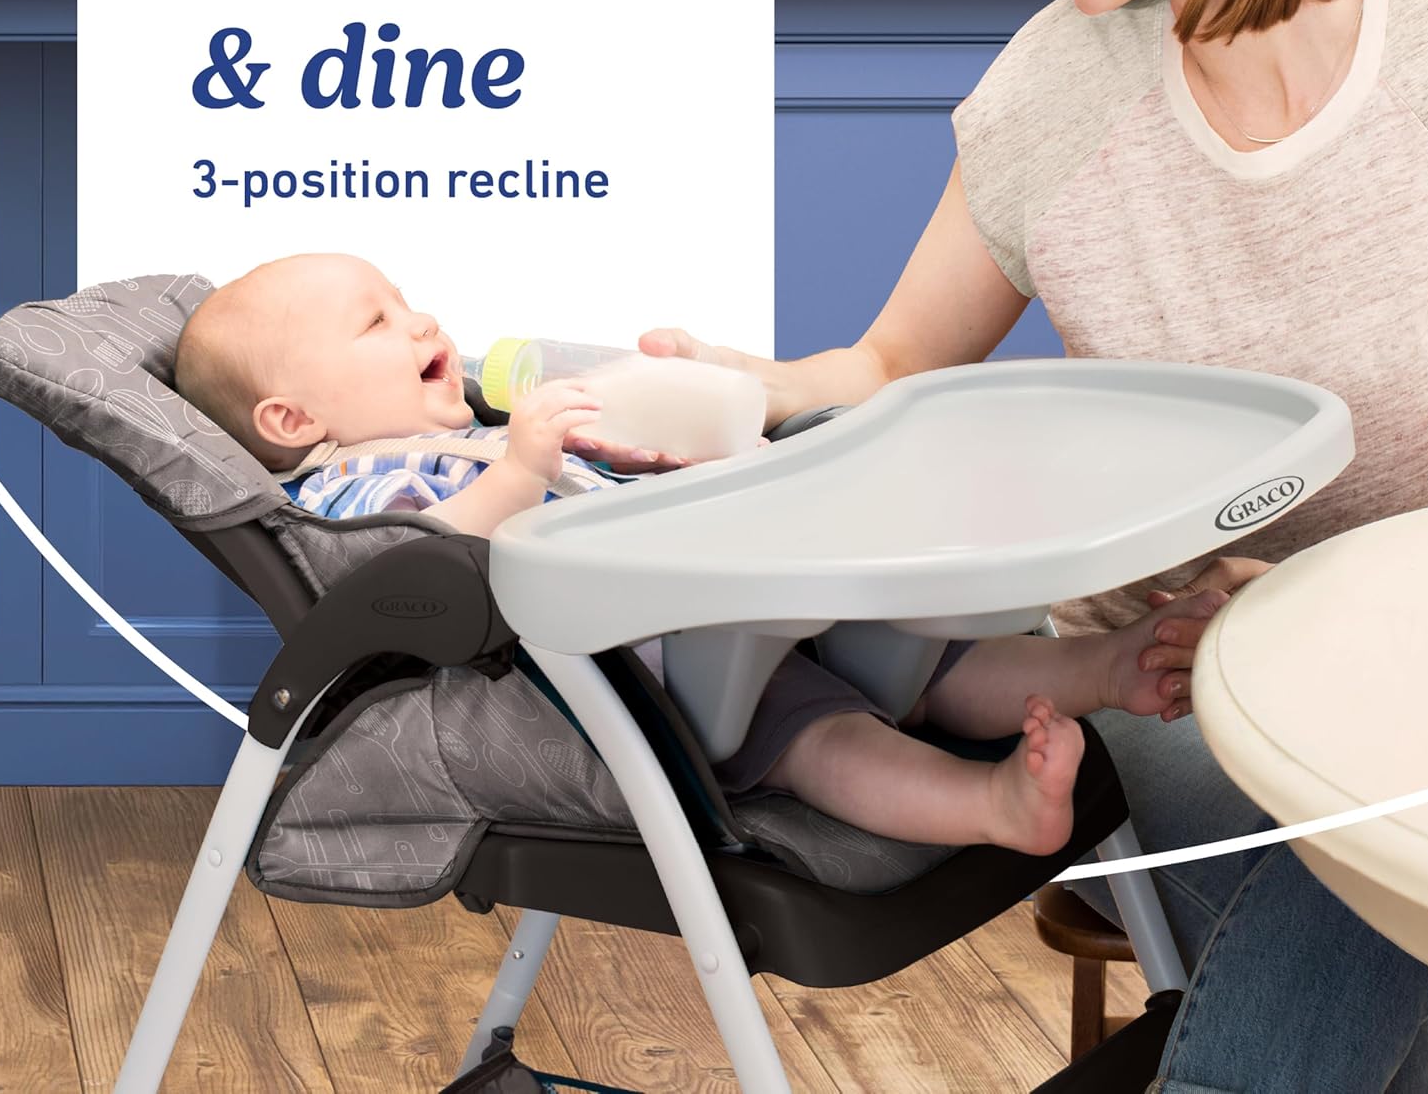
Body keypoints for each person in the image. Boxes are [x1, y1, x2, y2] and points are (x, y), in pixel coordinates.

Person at [576, 0, 1428, 1094]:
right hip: (1171, 681)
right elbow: (888, 361)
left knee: (1383, 889)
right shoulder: (1052, 97)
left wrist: (1338, 614)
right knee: (1367, 908)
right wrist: (753, 389)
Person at [173, 249, 1221, 856]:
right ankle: (989, 807)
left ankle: (1103, 664)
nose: (422, 322)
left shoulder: (473, 430)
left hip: (714, 590)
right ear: (293, 416)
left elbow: (610, 482)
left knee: (927, 647)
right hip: (646, 666)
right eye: (377, 322)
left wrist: (653, 447)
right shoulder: (360, 483)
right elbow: (415, 570)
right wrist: (521, 470)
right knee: (815, 733)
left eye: (407, 303)